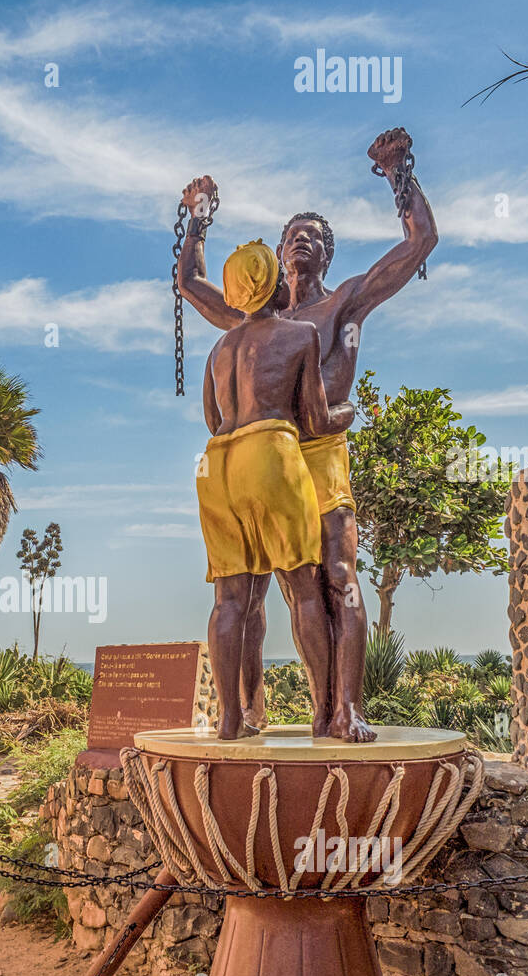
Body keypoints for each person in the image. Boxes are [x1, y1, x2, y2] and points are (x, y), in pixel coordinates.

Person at [179, 128, 437, 741]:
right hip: (265, 459)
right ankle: (245, 713)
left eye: (315, 236)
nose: (302, 239)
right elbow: (189, 285)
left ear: (327, 255)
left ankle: (344, 708)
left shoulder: (342, 304)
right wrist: (197, 220)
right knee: (250, 592)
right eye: (293, 233)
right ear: (276, 252)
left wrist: (400, 172)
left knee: (336, 580)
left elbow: (420, 241)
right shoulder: (258, 319)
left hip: (317, 457)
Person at [198, 240, 352, 740]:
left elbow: (212, 419)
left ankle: (230, 721)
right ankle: (327, 714)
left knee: (230, 599)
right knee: (305, 588)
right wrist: (347, 416)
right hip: (271, 452)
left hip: (218, 464)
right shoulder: (301, 333)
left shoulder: (218, 350)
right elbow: (315, 417)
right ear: (272, 280)